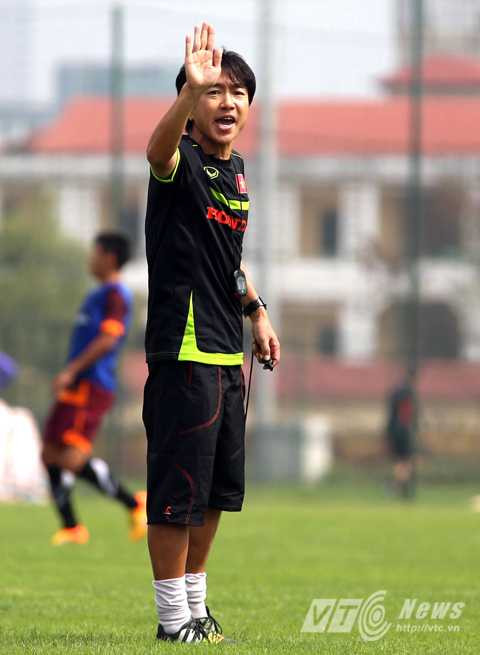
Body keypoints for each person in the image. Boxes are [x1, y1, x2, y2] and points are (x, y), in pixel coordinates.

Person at [143, 23, 280, 643]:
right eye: (213, 91)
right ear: (192, 103)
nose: (227, 102)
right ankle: (173, 620)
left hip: (227, 354)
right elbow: (157, 153)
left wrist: (257, 312)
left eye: (238, 93)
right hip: (185, 351)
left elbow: (230, 262)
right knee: (178, 492)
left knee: (218, 491)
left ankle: (196, 609)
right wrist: (186, 93)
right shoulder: (181, 162)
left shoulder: (238, 172)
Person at [41, 232, 146, 545]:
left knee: (71, 456)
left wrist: (72, 370)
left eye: (95, 253)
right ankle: (72, 527)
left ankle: (135, 504)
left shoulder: (116, 294)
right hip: (78, 384)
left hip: (91, 384)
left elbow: (109, 338)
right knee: (50, 452)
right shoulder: (98, 294)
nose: (91, 259)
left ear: (109, 258)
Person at [385, 370, 416, 499]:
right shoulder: (408, 394)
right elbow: (407, 414)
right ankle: (400, 487)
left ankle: (398, 487)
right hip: (402, 430)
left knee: (400, 461)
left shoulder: (394, 394)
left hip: (394, 430)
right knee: (405, 461)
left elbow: (391, 415)